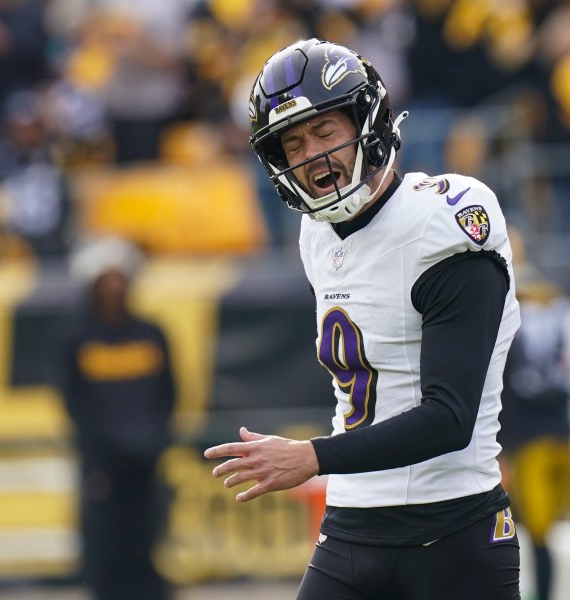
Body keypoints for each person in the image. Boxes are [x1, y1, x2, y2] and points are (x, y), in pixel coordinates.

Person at [204, 38, 522, 599]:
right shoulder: (314, 234)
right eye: (293, 144)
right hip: (351, 526)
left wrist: (312, 456)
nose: (311, 155)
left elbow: (450, 417)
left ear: (366, 122)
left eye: (325, 131)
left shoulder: (443, 219)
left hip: (453, 530)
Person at [55, 236, 175, 600]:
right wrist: (97, 457)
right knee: (105, 554)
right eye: (107, 279)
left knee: (148, 547)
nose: (115, 287)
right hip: (101, 468)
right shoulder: (75, 338)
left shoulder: (151, 333)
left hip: (147, 463)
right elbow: (74, 405)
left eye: (120, 278)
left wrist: (154, 441)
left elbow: (168, 393)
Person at [498, 232, 570, 600]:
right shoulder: (553, 298)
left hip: (529, 438)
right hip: (559, 429)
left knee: (536, 534)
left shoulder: (503, 299)